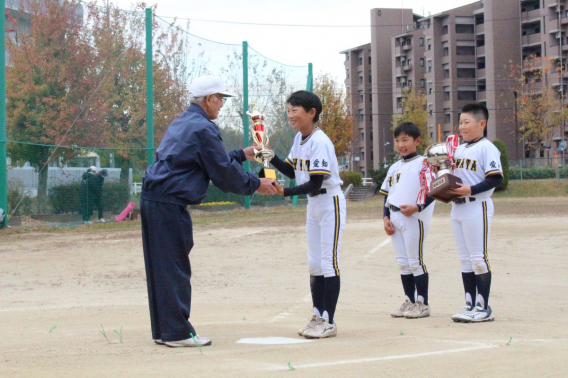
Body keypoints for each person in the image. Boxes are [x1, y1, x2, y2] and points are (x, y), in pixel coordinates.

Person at [140, 75, 277, 348]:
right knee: (174, 268)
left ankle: (165, 330)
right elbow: (222, 173)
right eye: (220, 99)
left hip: (155, 200)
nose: (222, 105)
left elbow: (207, 159)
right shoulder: (203, 127)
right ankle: (177, 332)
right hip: (168, 203)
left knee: (162, 268)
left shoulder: (184, 121)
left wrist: (242, 153)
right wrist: (255, 183)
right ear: (208, 99)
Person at [270, 91, 345, 339]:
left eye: (295, 110)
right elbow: (291, 171)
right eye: (289, 110)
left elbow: (315, 183)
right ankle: (317, 315)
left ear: (311, 113)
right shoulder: (299, 138)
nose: (290, 115)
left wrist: (285, 193)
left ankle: (328, 321)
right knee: (314, 264)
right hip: (313, 205)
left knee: (327, 261)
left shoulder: (320, 141)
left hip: (329, 201)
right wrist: (268, 156)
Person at [447, 103, 503, 323]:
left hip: (477, 204)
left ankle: (484, 307)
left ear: (482, 123)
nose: (462, 126)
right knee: (465, 260)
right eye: (460, 122)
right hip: (457, 207)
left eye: (466, 122)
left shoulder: (486, 147)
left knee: (478, 258)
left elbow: (495, 177)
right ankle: (469, 304)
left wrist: (470, 189)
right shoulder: (459, 149)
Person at [379, 122, 435, 319]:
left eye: (405, 140)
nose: (400, 144)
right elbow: (387, 194)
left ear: (417, 141)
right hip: (395, 217)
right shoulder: (394, 167)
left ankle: (423, 303)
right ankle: (409, 300)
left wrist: (418, 208)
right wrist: (385, 216)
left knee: (415, 262)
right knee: (403, 262)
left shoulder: (424, 164)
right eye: (397, 140)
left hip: (414, 217)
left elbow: (434, 191)